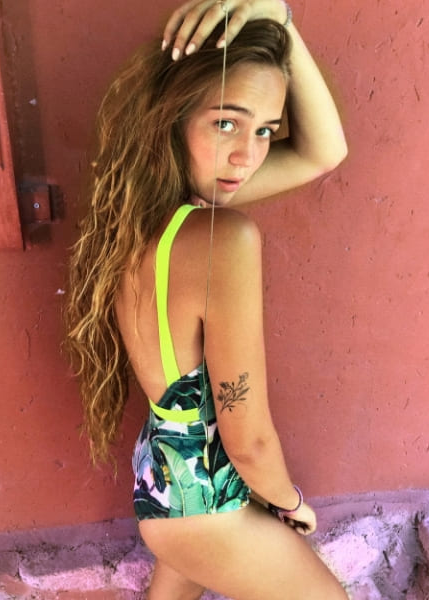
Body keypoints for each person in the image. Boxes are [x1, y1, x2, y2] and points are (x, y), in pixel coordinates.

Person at [65, 0, 348, 598]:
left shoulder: (140, 216)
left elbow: (323, 153)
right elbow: (248, 437)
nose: (248, 155)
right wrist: (289, 502)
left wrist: (281, 24)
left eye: (265, 130)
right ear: (173, 118)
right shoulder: (222, 238)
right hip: (208, 506)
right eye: (226, 123)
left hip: (168, 487)